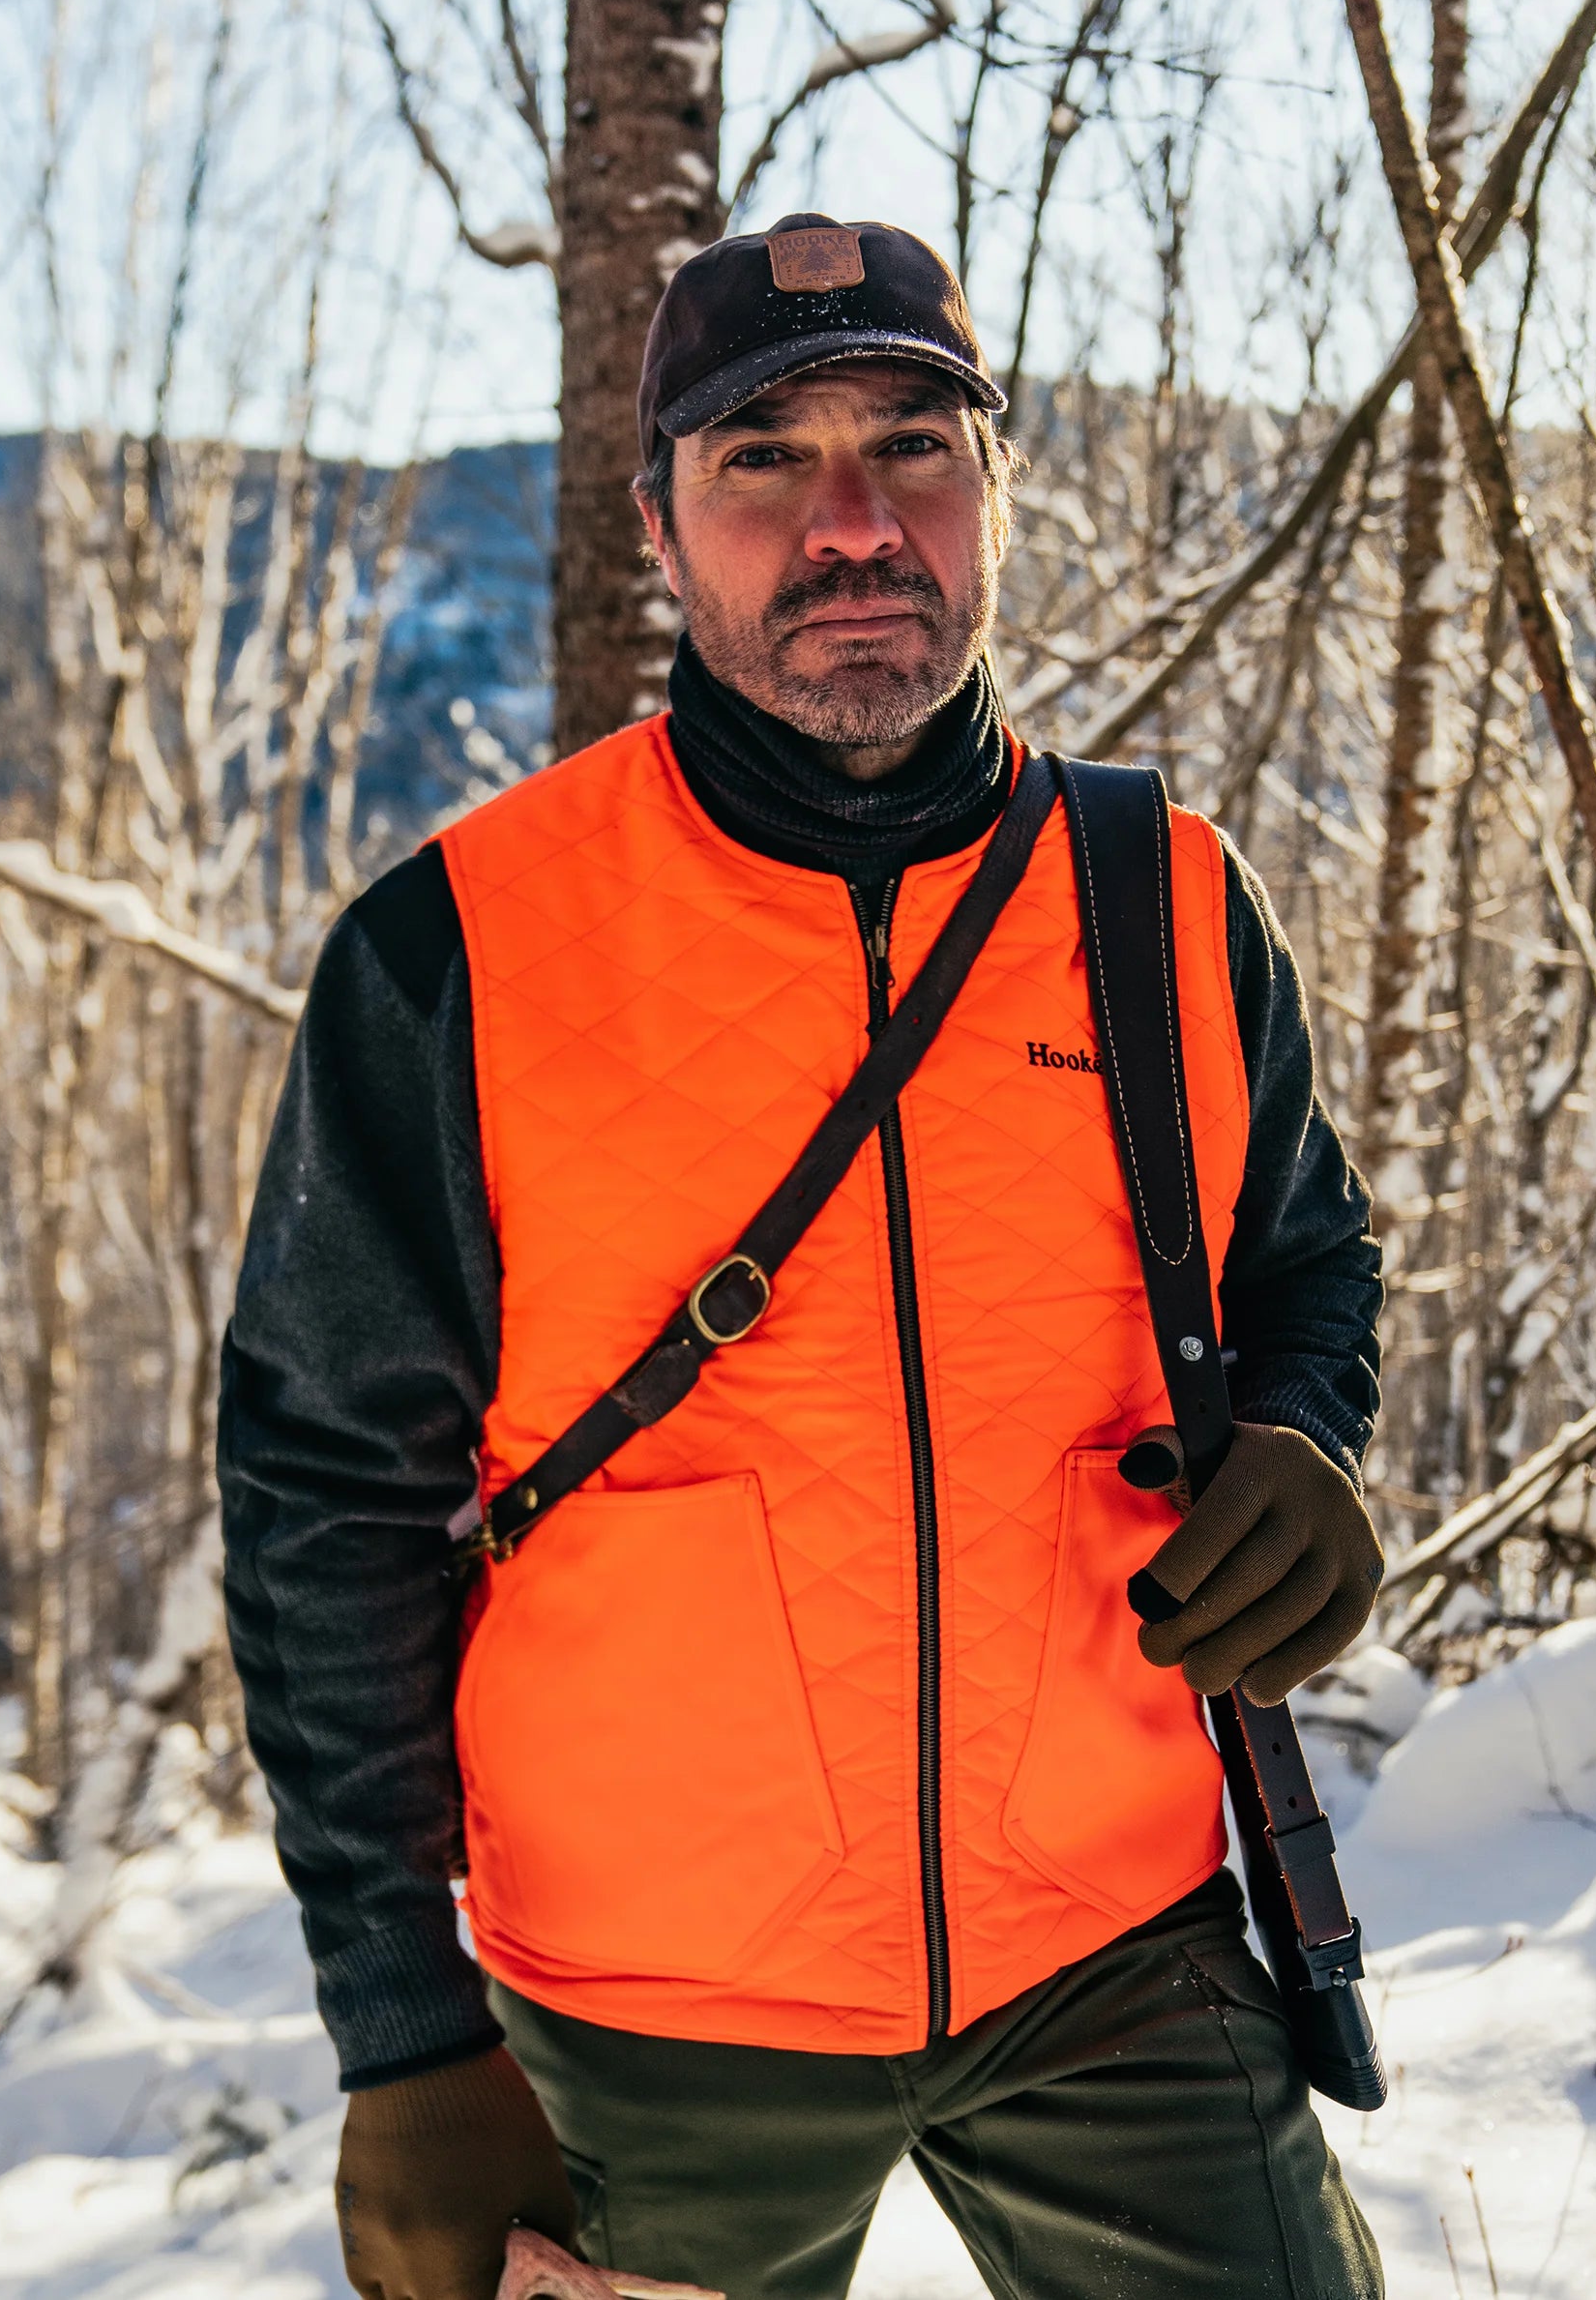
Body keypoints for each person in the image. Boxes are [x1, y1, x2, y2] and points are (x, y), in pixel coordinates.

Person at [221, 214, 1387, 2300]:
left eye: (910, 447)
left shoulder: (1164, 896)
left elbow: (1303, 1258)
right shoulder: (454, 949)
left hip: (1114, 1944)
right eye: (763, 457)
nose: (851, 523)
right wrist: (404, 2035)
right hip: (646, 2015)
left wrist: (1303, 1434)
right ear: (658, 522)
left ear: (992, 494)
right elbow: (325, 1499)